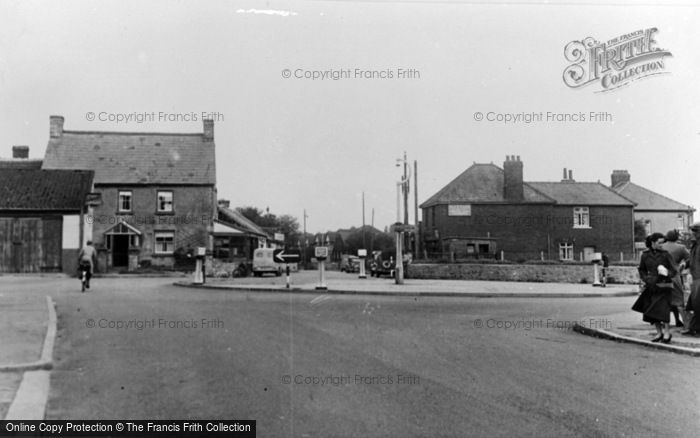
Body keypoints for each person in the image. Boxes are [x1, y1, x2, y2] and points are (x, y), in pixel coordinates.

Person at [632, 232, 676, 343]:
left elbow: (674, 270)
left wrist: (667, 273)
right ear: (653, 242)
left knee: (664, 309)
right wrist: (646, 278)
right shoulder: (645, 255)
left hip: (664, 284)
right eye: (660, 243)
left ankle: (667, 332)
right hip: (651, 285)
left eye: (663, 243)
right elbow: (641, 269)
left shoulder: (666, 254)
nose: (662, 245)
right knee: (652, 309)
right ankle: (659, 333)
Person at [661, 229, 690, 327]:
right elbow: (689, 259)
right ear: (676, 237)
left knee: (664, 299)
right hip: (674, 276)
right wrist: (683, 265)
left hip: (661, 276)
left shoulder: (661, 246)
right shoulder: (681, 248)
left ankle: (665, 324)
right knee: (678, 300)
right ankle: (685, 324)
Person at [683, 222, 700, 336]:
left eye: (695, 231)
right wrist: (685, 264)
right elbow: (691, 258)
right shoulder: (695, 244)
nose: (692, 233)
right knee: (695, 304)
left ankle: (695, 328)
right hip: (696, 277)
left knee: (697, 304)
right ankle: (693, 327)